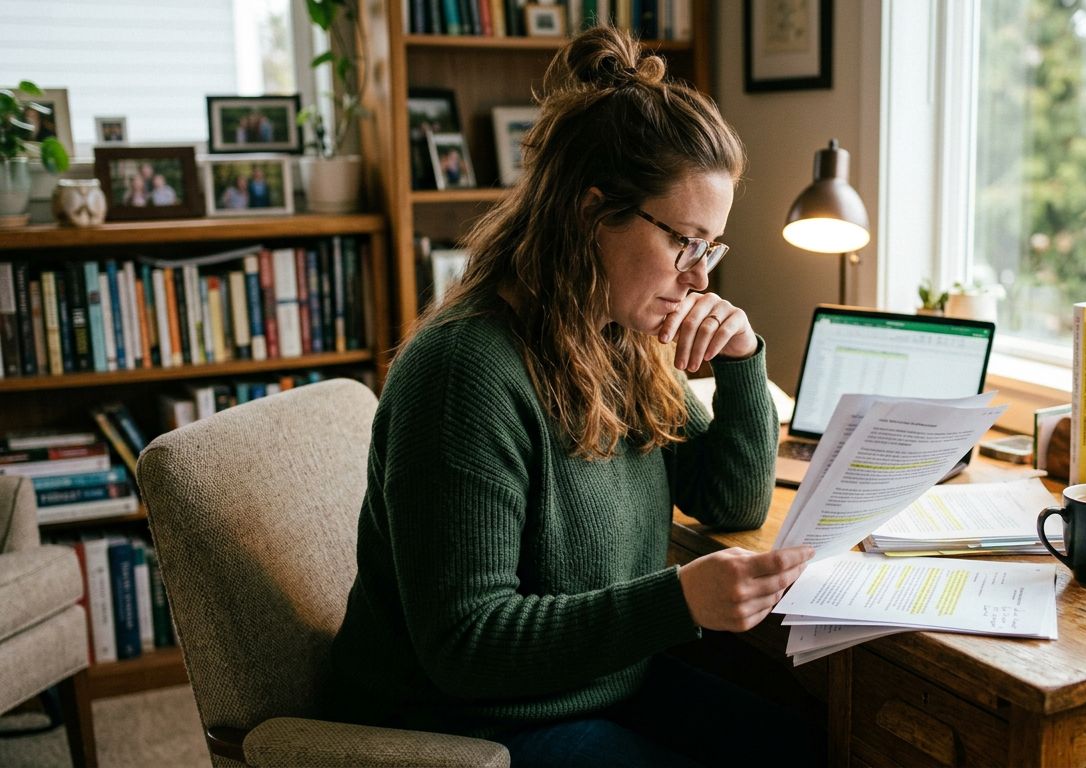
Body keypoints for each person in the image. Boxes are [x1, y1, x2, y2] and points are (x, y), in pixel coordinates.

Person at [327, 25, 819, 768]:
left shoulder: (617, 337)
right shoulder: (466, 372)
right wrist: (677, 603)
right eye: (685, 241)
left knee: (802, 743)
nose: (699, 278)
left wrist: (743, 359)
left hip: (593, 686)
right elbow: (466, 644)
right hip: (461, 724)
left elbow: (732, 501)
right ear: (593, 213)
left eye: (709, 248)